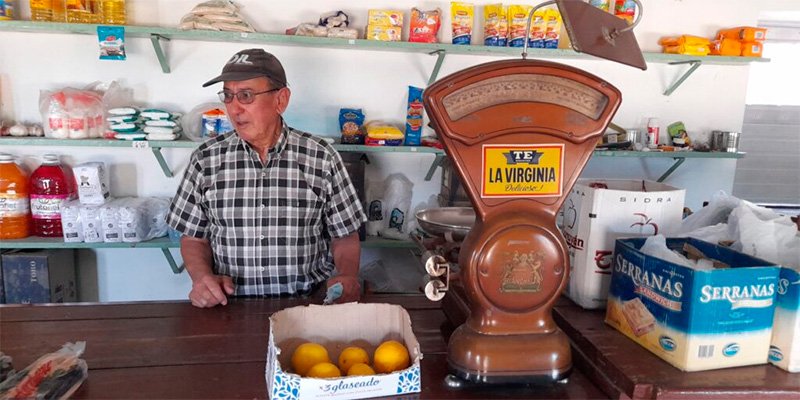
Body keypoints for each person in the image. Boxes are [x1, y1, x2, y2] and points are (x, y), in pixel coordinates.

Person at [167, 48, 366, 308]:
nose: (234, 108)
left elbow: (345, 235)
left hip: (307, 306)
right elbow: (194, 238)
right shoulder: (205, 160)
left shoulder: (321, 157)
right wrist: (202, 277)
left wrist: (347, 276)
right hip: (230, 307)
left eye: (246, 96)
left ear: (280, 100)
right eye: (228, 96)